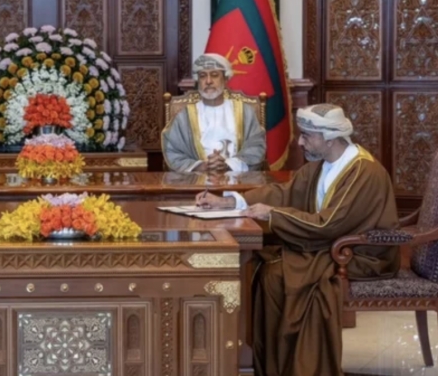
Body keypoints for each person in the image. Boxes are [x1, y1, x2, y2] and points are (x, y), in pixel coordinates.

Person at [196, 104, 400, 376]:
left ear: (329, 138)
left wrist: (273, 214)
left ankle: (298, 367)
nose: (300, 142)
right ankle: (274, 365)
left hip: (359, 254)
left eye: (307, 136)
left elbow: (329, 223)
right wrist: (231, 201)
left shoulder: (363, 172)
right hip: (330, 245)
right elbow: (285, 193)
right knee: (264, 264)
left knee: (279, 275)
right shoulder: (323, 164)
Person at [161, 53, 265, 173]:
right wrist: (200, 166)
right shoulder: (184, 116)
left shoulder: (245, 112)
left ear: (225, 79)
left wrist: (228, 165)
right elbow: (173, 151)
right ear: (198, 81)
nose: (208, 81)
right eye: (202, 76)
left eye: (214, 75)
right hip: (198, 178)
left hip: (237, 177)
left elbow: (256, 146)